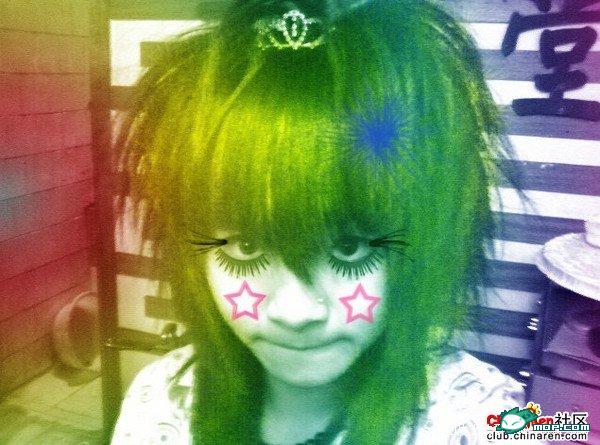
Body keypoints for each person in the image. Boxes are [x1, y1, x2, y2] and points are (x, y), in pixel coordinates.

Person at [111, 0, 545, 443]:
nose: (295, 312)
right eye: (245, 247)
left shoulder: (491, 420)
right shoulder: (159, 401)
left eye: (349, 247)